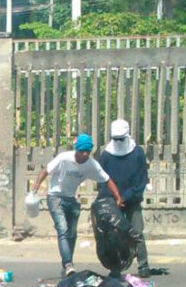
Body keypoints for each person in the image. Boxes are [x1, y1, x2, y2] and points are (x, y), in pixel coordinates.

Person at [31, 133, 124, 277]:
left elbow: (107, 179)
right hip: (55, 197)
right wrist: (36, 186)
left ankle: (67, 265)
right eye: (82, 151)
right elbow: (46, 170)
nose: (85, 154)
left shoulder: (91, 164)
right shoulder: (64, 158)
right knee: (62, 229)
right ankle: (68, 264)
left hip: (71, 199)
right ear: (77, 150)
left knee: (72, 234)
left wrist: (117, 197)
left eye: (88, 151)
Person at [97, 119, 151, 278]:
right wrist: (113, 199)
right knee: (114, 236)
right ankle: (116, 267)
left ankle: (143, 265)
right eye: (116, 139)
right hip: (113, 202)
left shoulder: (137, 153)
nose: (119, 142)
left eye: (121, 139)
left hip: (132, 200)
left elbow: (141, 180)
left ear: (127, 136)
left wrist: (125, 197)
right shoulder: (106, 156)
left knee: (137, 232)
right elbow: (102, 180)